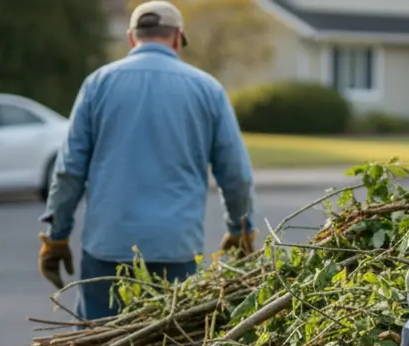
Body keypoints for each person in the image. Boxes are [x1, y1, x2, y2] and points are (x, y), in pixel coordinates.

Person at [37, 0, 256, 324]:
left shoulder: (98, 84)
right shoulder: (207, 89)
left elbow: (69, 170)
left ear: (130, 38)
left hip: (108, 249)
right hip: (176, 251)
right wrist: (241, 230)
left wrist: (57, 236)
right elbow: (235, 174)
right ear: (178, 38)